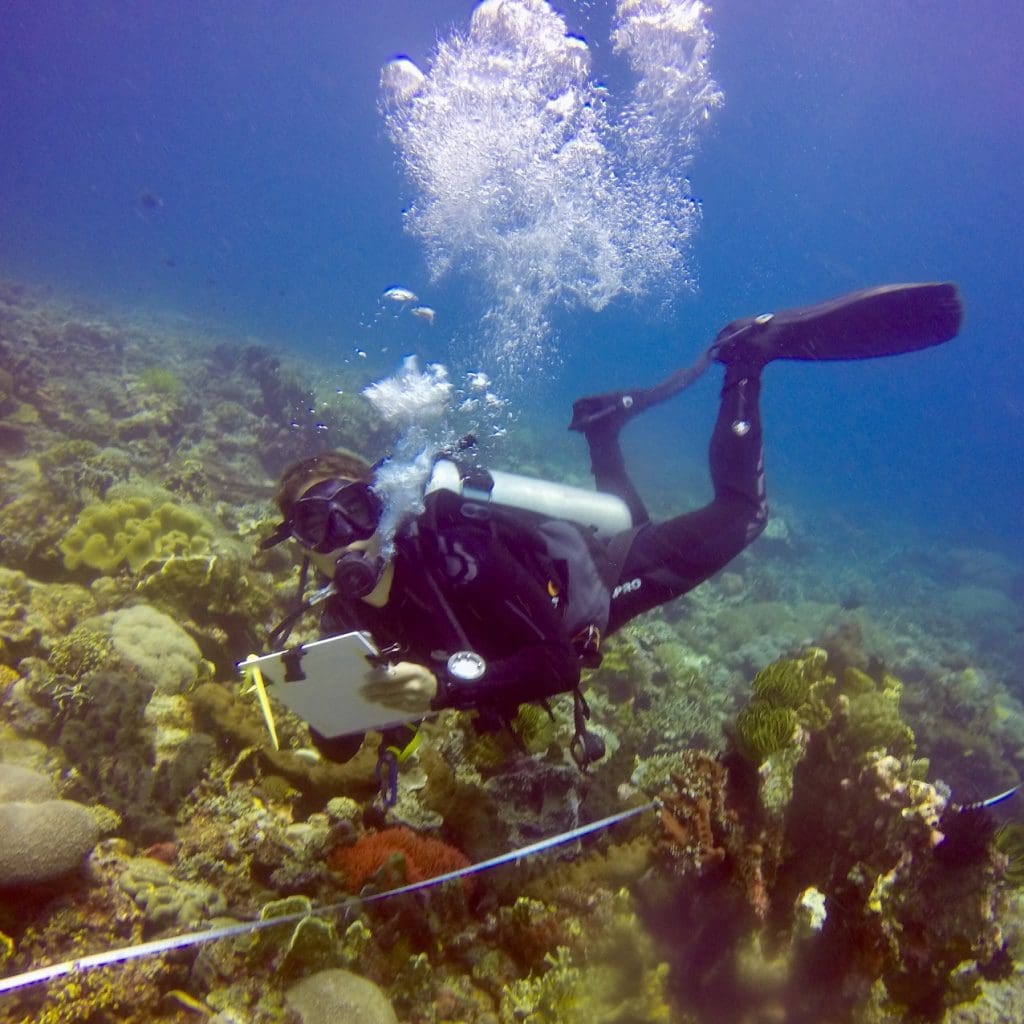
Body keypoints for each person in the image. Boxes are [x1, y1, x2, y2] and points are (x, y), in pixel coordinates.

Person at [261, 282, 962, 769]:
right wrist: (328, 702)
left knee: (741, 515)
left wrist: (441, 690)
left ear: (384, 503)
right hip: (571, 566)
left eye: (355, 510)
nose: (346, 538)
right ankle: (604, 429)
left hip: (594, 587)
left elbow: (556, 663)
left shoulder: (456, 552)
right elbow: (340, 749)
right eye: (317, 526)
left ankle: (750, 359)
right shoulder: (342, 618)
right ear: (301, 549)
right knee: (627, 520)